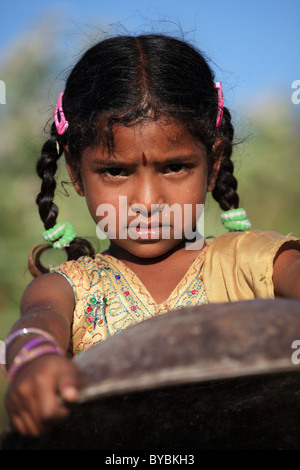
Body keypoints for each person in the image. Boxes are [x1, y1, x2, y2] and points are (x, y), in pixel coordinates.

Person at [3, 34, 300, 437]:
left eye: (175, 167)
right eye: (116, 171)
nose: (147, 201)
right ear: (75, 171)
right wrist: (34, 362)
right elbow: (34, 327)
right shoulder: (69, 290)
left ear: (212, 165)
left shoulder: (250, 263)